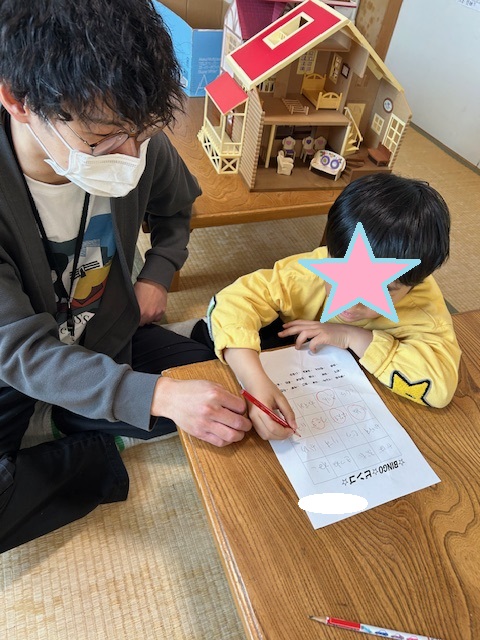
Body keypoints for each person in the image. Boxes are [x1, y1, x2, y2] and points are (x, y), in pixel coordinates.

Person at [0, 0, 251, 553]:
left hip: (107, 332)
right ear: (19, 100)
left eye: (144, 132)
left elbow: (175, 209)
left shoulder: (136, 139)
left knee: (228, 400)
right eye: (103, 140)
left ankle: (89, 409)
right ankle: (89, 446)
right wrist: (156, 395)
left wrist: (157, 274)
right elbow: (17, 350)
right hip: (14, 366)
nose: (131, 155)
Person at [199, 174, 461, 440]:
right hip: (290, 350)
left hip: (346, 382)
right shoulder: (306, 274)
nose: (353, 301)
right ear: (329, 252)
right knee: (209, 344)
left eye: (385, 289)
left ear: (415, 285)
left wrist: (352, 336)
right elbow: (232, 301)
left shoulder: (424, 309)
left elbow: (439, 387)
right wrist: (254, 381)